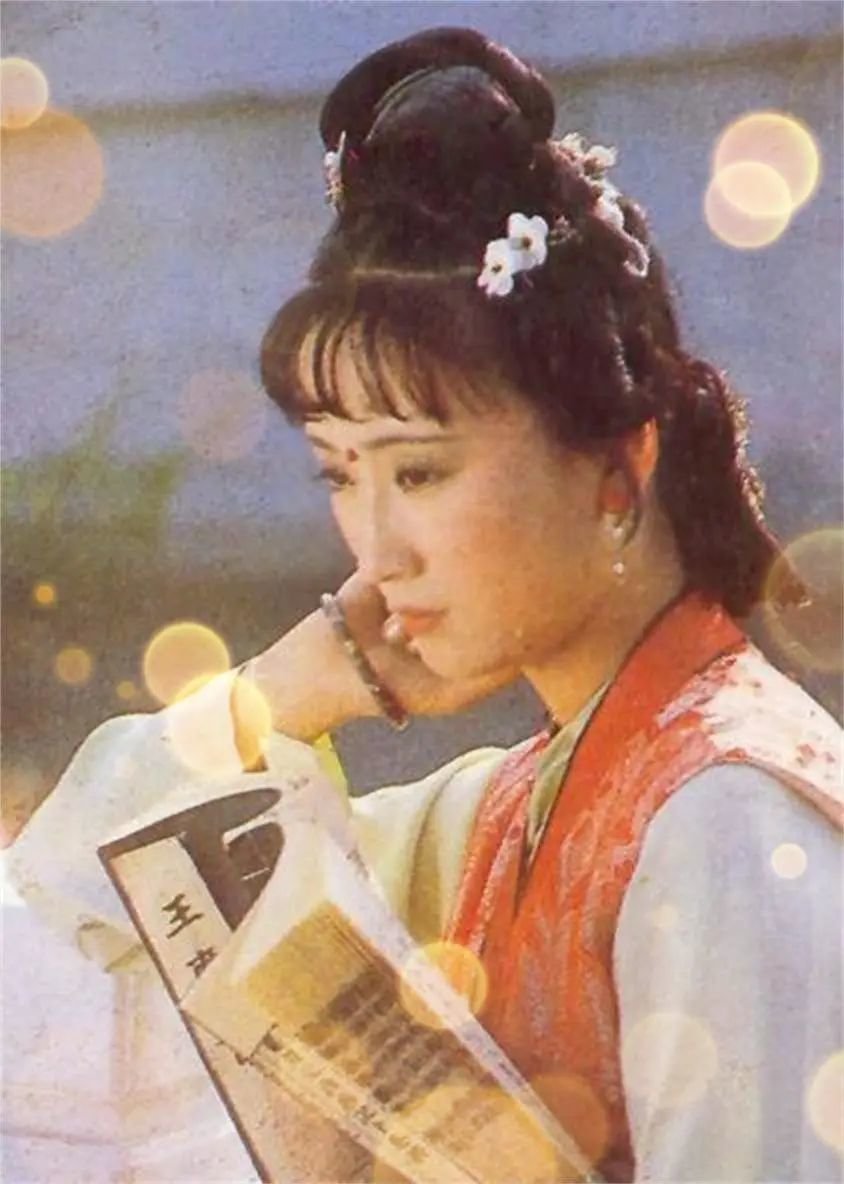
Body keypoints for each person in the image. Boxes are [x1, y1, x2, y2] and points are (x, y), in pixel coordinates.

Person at [9, 26, 842, 1184]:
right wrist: (280, 690)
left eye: (420, 473)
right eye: (340, 476)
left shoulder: (728, 817)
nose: (377, 549)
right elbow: (65, 912)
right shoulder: (505, 812)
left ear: (617, 468)